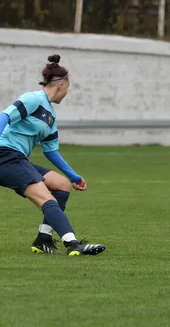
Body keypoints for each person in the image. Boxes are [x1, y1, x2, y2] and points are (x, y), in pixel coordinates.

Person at [0, 54, 106, 255]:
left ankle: (43, 239)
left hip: (17, 159)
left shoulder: (50, 115)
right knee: (45, 199)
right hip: (5, 155)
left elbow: (50, 150)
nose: (66, 93)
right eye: (68, 88)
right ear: (61, 85)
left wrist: (74, 176)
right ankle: (73, 243)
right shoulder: (33, 99)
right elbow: (4, 116)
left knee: (62, 184)